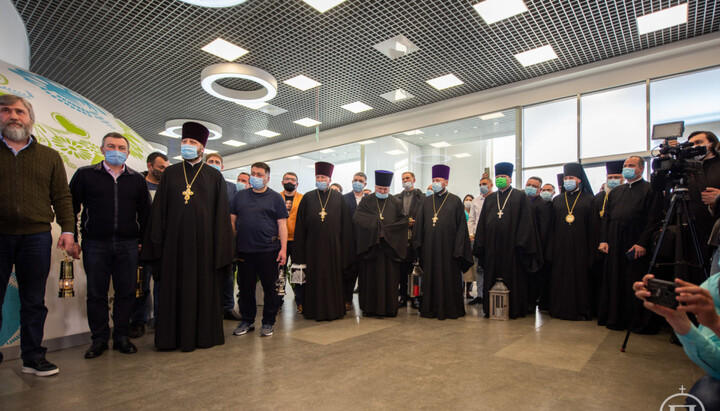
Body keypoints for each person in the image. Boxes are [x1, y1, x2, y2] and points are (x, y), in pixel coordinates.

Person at [141, 122, 234, 351]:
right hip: (174, 248)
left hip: (204, 249)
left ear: (202, 147)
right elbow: (159, 213)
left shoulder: (214, 177)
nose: (187, 145)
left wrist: (220, 251)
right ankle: (171, 338)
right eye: (184, 141)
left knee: (203, 290)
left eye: (192, 142)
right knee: (173, 291)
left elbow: (221, 217)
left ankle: (203, 336)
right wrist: (156, 245)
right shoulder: (170, 173)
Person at [0, 94, 74, 376]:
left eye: (20, 111)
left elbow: (62, 196)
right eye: (6, 111)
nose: (13, 116)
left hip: (36, 237)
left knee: (33, 301)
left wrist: (68, 229)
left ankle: (32, 357)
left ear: (30, 119)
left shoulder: (49, 156)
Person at [69, 132, 151, 358]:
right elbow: (70, 207)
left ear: (128, 152)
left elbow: (146, 214)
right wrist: (73, 238)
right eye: (111, 146)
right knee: (96, 293)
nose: (117, 151)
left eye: (121, 148)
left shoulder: (137, 179)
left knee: (126, 293)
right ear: (102, 149)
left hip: (128, 244)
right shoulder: (85, 175)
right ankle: (99, 339)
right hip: (95, 243)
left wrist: (143, 241)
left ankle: (122, 337)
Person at [633, 273, 720, 409]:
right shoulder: (714, 287)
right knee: (704, 399)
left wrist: (716, 324)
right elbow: (716, 362)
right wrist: (677, 320)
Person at [598, 157, 662, 332]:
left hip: (636, 242)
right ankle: (615, 318)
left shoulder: (651, 189)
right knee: (615, 280)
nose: (627, 168)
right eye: (625, 166)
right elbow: (606, 217)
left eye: (631, 166)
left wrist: (642, 243)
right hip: (614, 241)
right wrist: (604, 240)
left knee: (633, 280)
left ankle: (636, 322)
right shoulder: (617, 191)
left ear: (641, 169)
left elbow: (653, 219)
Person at [473, 163, 543, 319]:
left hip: (513, 249)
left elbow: (526, 223)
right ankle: (491, 309)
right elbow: (482, 224)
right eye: (498, 177)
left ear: (510, 179)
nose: (500, 179)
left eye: (503, 177)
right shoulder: (490, 198)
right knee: (492, 277)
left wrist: (521, 244)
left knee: (514, 279)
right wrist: (481, 245)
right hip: (492, 248)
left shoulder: (520, 197)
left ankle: (514, 309)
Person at [230, 162, 288, 337]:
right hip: (244, 250)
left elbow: (282, 225)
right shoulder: (240, 197)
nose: (255, 177)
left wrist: (283, 249)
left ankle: (268, 323)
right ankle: (247, 321)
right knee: (245, 288)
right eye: (253, 173)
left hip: (268, 250)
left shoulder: (276, 198)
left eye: (259, 174)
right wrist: (232, 244)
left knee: (270, 289)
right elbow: (232, 221)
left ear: (267, 178)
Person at [292, 162, 355, 321]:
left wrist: (345, 252)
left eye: (323, 177)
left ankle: (334, 310)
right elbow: (300, 226)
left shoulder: (339, 198)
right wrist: (299, 252)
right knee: (313, 279)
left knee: (333, 279)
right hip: (312, 248)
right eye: (318, 177)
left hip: (334, 248)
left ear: (329, 179)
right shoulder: (307, 198)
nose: (320, 180)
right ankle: (312, 310)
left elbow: (346, 226)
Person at [412, 164, 473, 320]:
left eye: (438, 180)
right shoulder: (426, 201)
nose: (435, 183)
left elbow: (461, 228)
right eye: (433, 180)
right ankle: (430, 309)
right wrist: (418, 245)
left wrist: (458, 250)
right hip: (429, 249)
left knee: (449, 278)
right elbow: (419, 224)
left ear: (446, 182)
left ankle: (450, 310)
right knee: (430, 278)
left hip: (449, 250)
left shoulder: (455, 201)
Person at [547, 163, 597, 321]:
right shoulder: (557, 200)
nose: (568, 180)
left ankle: (581, 310)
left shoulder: (590, 200)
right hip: (560, 247)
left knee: (580, 279)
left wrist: (592, 252)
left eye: (571, 178)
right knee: (559, 279)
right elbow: (551, 227)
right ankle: (558, 309)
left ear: (579, 180)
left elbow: (594, 228)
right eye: (566, 178)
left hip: (581, 247)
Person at [354, 170, 408, 317]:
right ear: (375, 187)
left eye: (385, 189)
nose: (382, 191)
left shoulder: (396, 202)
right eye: (380, 189)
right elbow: (358, 219)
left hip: (390, 249)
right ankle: (369, 308)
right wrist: (376, 229)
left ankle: (389, 309)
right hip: (371, 248)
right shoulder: (366, 201)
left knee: (390, 280)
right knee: (371, 279)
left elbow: (403, 222)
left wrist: (386, 233)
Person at [129, 151, 169, 339]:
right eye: (160, 167)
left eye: (166, 168)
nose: (163, 171)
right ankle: (139, 321)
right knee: (140, 285)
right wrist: (140, 240)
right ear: (149, 166)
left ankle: (161, 320)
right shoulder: (138, 185)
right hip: (142, 244)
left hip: (164, 246)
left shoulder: (169, 187)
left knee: (162, 285)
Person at [206, 153, 241, 321]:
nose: (214, 164)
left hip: (224, 235)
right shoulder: (197, 183)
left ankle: (227, 307)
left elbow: (235, 212)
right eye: (210, 161)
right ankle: (207, 307)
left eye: (217, 162)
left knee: (227, 272)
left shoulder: (231, 187)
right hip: (204, 234)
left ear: (222, 166)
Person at [685, 131, 720, 284]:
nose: (695, 147)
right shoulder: (689, 170)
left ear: (711, 144)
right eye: (691, 145)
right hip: (695, 231)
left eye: (699, 143)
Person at [395, 171, 425, 308]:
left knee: (415, 268)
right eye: (403, 179)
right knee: (402, 269)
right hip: (401, 237)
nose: (405, 180)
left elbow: (425, 216)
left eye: (407, 178)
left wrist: (415, 223)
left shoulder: (422, 198)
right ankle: (403, 295)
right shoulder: (396, 198)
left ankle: (415, 296)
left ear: (414, 180)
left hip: (416, 236)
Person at [525, 176, 552, 314]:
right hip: (522, 246)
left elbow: (544, 229)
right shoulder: (521, 201)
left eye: (534, 186)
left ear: (540, 189)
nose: (530, 187)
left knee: (533, 279)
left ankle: (531, 303)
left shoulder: (543, 204)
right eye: (528, 184)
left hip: (535, 248)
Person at [280, 172, 304, 312]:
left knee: (298, 272)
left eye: (292, 179)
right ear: (282, 182)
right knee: (279, 273)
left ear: (297, 183)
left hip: (297, 241)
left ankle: (300, 300)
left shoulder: (303, 199)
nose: (289, 181)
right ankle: (277, 301)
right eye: (287, 179)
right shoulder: (276, 197)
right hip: (279, 241)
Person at [343, 172, 367, 308]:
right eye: (355, 180)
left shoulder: (369, 199)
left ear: (365, 184)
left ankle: (365, 302)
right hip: (349, 241)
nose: (357, 183)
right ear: (352, 182)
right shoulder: (344, 199)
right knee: (349, 272)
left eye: (360, 181)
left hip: (365, 242)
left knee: (365, 273)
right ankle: (347, 299)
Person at [468, 176, 493, 306]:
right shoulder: (476, 201)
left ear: (491, 185)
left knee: (491, 266)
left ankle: (490, 293)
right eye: (480, 184)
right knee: (479, 267)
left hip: (492, 237)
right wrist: (471, 234)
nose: (482, 186)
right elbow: (472, 219)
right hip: (478, 237)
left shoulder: (495, 198)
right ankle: (479, 295)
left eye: (484, 184)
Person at [461, 194, 475, 298]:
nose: (468, 201)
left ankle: (468, 291)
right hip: (463, 243)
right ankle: (461, 290)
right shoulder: (461, 213)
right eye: (467, 199)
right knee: (462, 269)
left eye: (470, 200)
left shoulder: (474, 214)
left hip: (472, 243)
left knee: (471, 269)